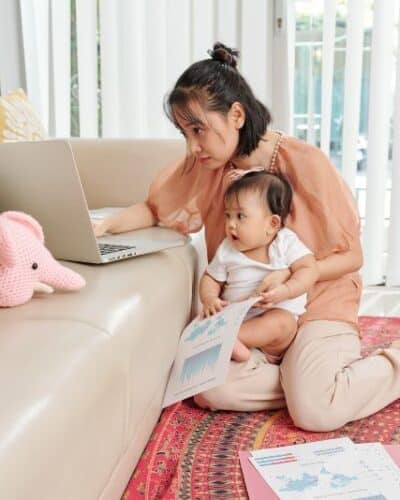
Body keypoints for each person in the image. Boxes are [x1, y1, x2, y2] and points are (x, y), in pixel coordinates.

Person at [93, 42, 400, 432]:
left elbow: (352, 257)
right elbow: (154, 209)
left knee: (315, 414)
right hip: (254, 316)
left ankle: (381, 369)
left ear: (236, 114)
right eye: (184, 133)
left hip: (318, 303)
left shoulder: (304, 161)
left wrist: (291, 281)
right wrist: (103, 226)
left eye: (199, 129)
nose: (192, 146)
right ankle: (309, 381)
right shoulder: (207, 167)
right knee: (209, 390)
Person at [200, 170, 318, 364]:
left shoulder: (285, 243)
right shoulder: (227, 249)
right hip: (237, 319)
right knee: (203, 320)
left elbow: (309, 269)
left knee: (281, 323)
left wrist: (287, 290)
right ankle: (232, 343)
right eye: (227, 215)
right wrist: (209, 298)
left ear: (272, 224)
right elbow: (210, 278)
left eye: (240, 216)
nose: (230, 224)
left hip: (274, 333)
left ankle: (227, 341)